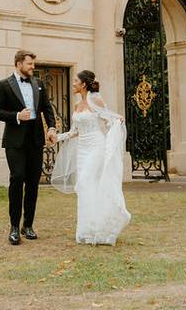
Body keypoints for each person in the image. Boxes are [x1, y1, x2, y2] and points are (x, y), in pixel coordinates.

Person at [51, 69, 131, 245]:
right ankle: (87, 230)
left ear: (84, 84)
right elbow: (75, 132)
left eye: (75, 81)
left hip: (96, 146)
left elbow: (109, 118)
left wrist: (117, 123)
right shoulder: (76, 106)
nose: (73, 84)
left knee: (86, 180)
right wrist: (57, 138)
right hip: (82, 150)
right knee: (85, 187)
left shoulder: (96, 101)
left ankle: (99, 228)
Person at [0, 50, 57, 245]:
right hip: (14, 140)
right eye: (29, 64)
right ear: (19, 64)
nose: (32, 67)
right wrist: (17, 116)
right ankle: (14, 227)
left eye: (33, 64)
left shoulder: (39, 84)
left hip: (35, 139)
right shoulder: (4, 85)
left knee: (33, 183)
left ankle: (27, 225)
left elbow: (47, 108)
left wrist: (51, 127)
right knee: (17, 178)